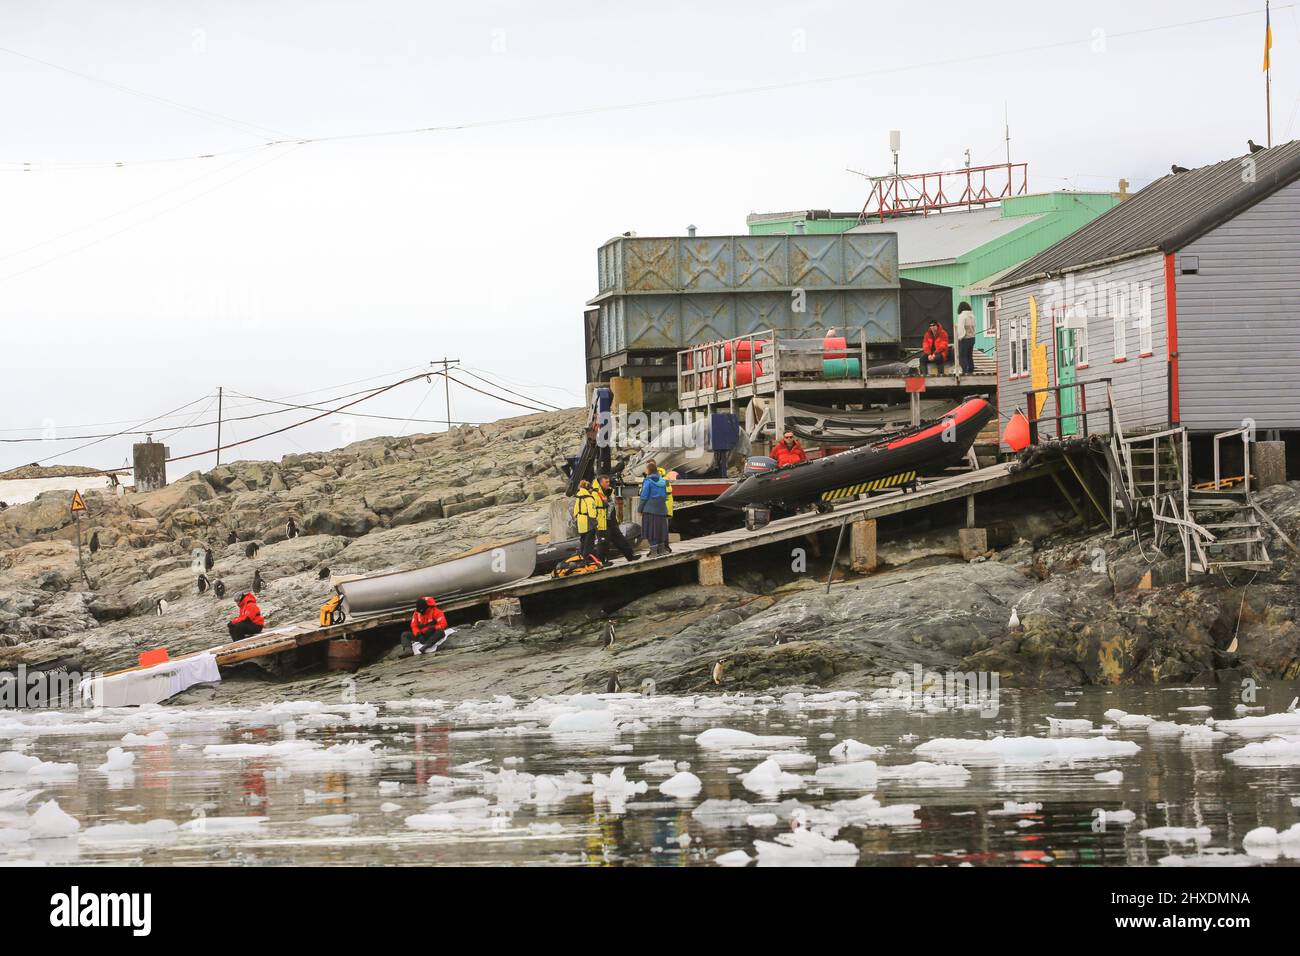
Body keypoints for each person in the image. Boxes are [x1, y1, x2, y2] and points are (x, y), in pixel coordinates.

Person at [595, 475, 640, 563]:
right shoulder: (596, 493)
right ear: (600, 483)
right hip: (602, 522)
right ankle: (602, 561)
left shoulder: (609, 491)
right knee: (604, 543)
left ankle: (630, 556)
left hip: (612, 521)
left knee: (620, 539)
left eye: (608, 482)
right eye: (606, 482)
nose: (608, 484)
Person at [639, 461, 671, 557]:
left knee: (651, 530)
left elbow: (644, 496)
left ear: (649, 470)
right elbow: (665, 495)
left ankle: (653, 552)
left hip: (650, 509)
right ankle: (662, 550)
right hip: (661, 509)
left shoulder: (648, 481)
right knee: (660, 529)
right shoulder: (663, 481)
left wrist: (640, 508)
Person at [572, 479, 600, 560]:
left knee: (583, 541)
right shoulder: (589, 498)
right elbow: (592, 512)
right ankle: (586, 559)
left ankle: (581, 557)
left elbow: (575, 511)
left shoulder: (578, 497)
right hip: (589, 522)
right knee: (589, 542)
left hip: (581, 521)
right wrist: (596, 520)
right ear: (588, 488)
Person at [956, 302, 977, 375]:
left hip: (965, 338)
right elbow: (974, 326)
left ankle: (964, 370)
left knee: (962, 355)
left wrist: (960, 337)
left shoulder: (962, 316)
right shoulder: (972, 315)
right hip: (972, 338)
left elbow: (961, 327)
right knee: (969, 355)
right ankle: (971, 369)